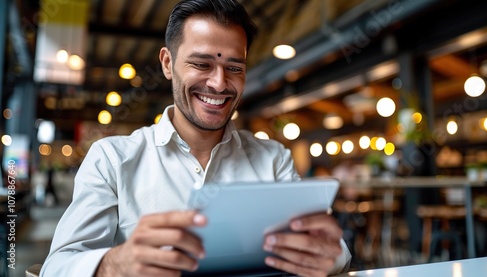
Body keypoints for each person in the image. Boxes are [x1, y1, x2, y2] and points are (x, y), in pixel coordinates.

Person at [40, 0, 351, 276]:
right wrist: (114, 264)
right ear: (167, 63)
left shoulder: (274, 159)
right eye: (202, 64)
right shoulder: (112, 159)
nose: (219, 83)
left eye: (234, 67)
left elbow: (335, 254)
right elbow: (56, 267)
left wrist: (329, 255)